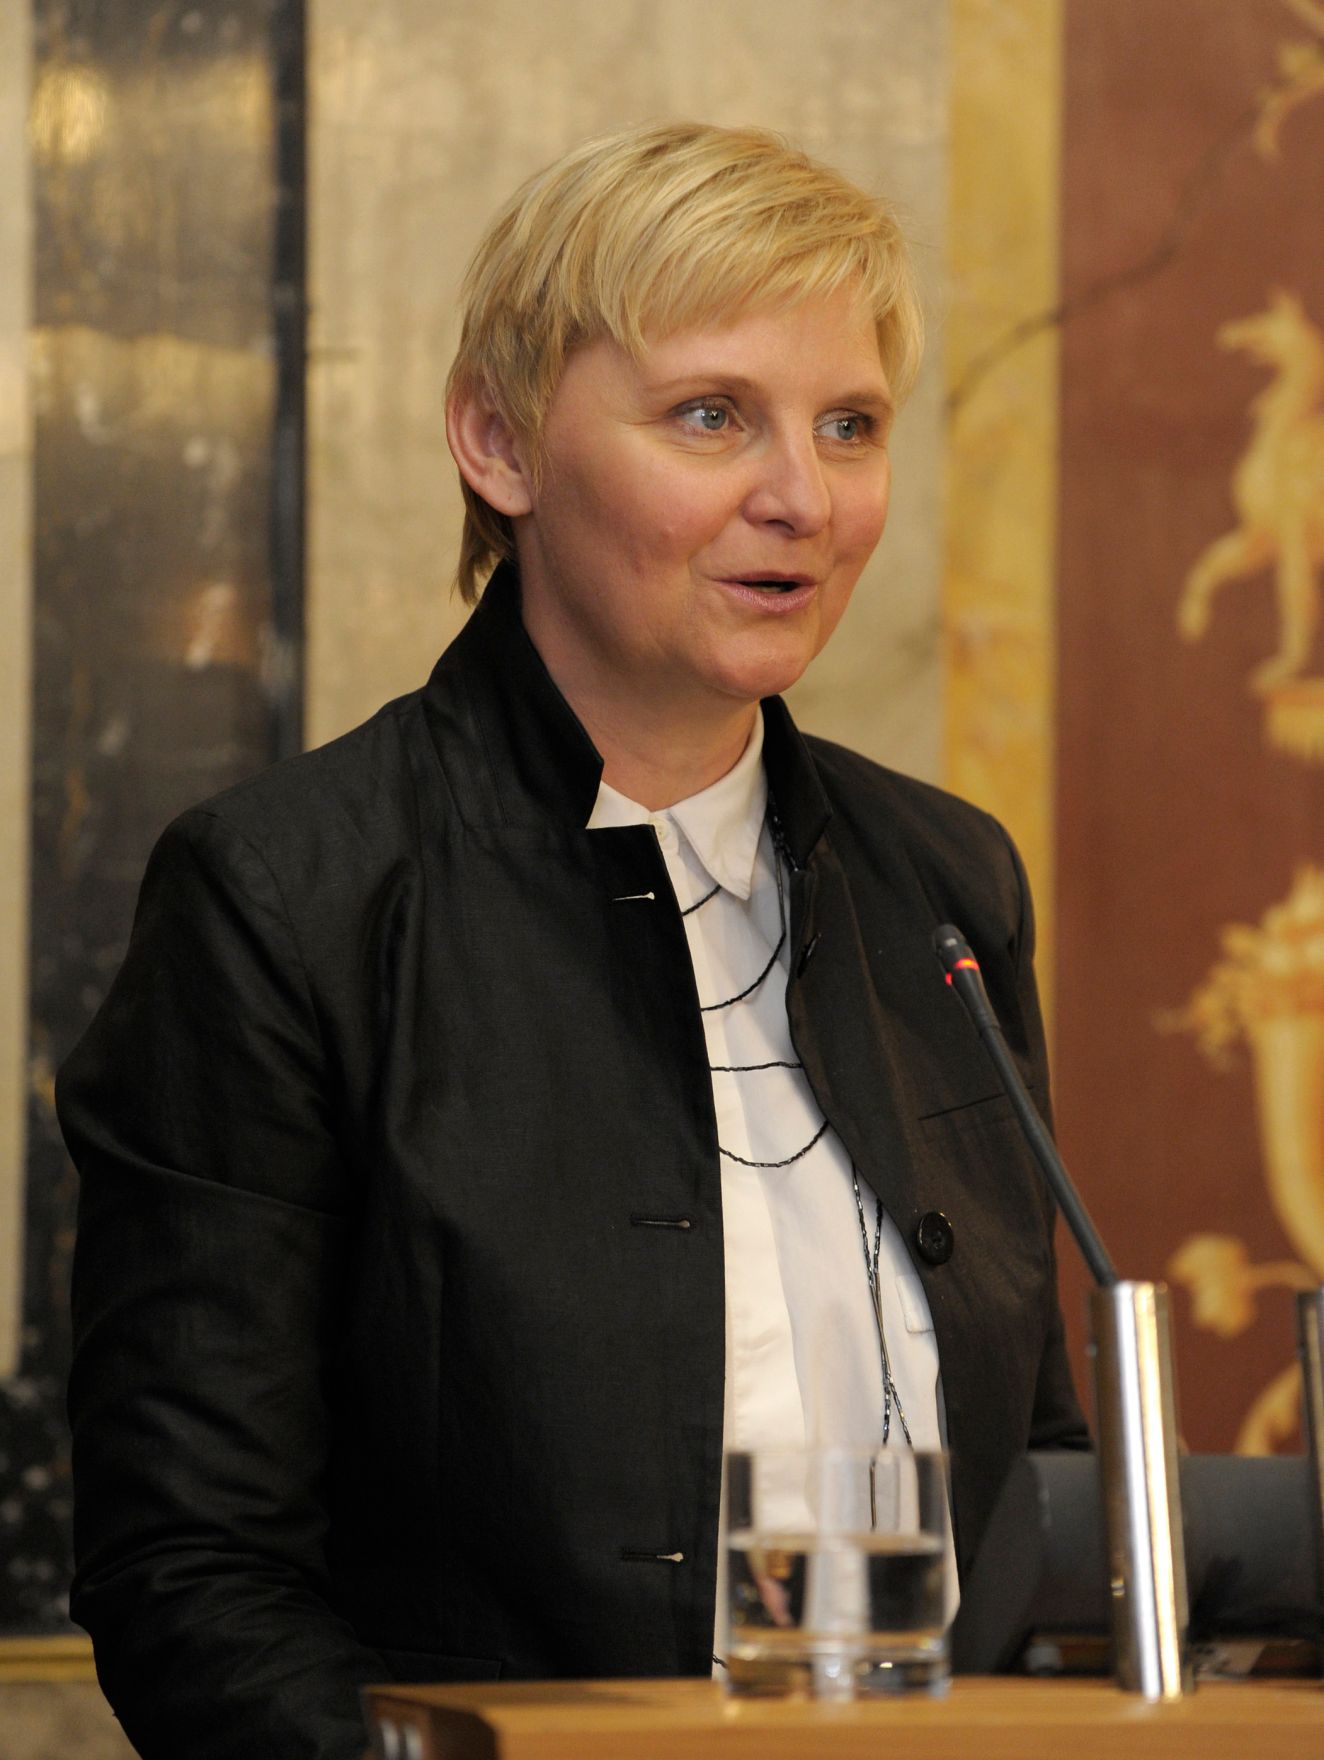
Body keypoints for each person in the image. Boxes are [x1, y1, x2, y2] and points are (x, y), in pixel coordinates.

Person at [59, 120, 1087, 1760]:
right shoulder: (288, 899)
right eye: (710, 416)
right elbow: (192, 1566)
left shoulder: (945, 883)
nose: (802, 498)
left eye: (850, 424)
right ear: (499, 441)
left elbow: (1037, 1485)